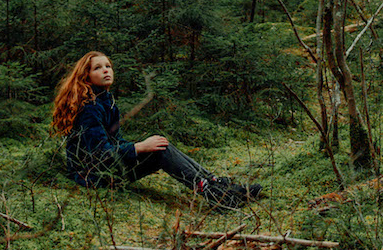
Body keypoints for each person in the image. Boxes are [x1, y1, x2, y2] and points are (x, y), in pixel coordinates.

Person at [50, 51, 261, 208]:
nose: (106, 70)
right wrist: (139, 148)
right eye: (98, 68)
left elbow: (115, 142)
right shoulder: (90, 109)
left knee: (160, 143)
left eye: (108, 66)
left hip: (107, 169)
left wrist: (139, 146)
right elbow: (101, 154)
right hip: (95, 177)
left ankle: (219, 186)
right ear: (86, 76)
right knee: (159, 150)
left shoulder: (106, 101)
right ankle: (215, 195)